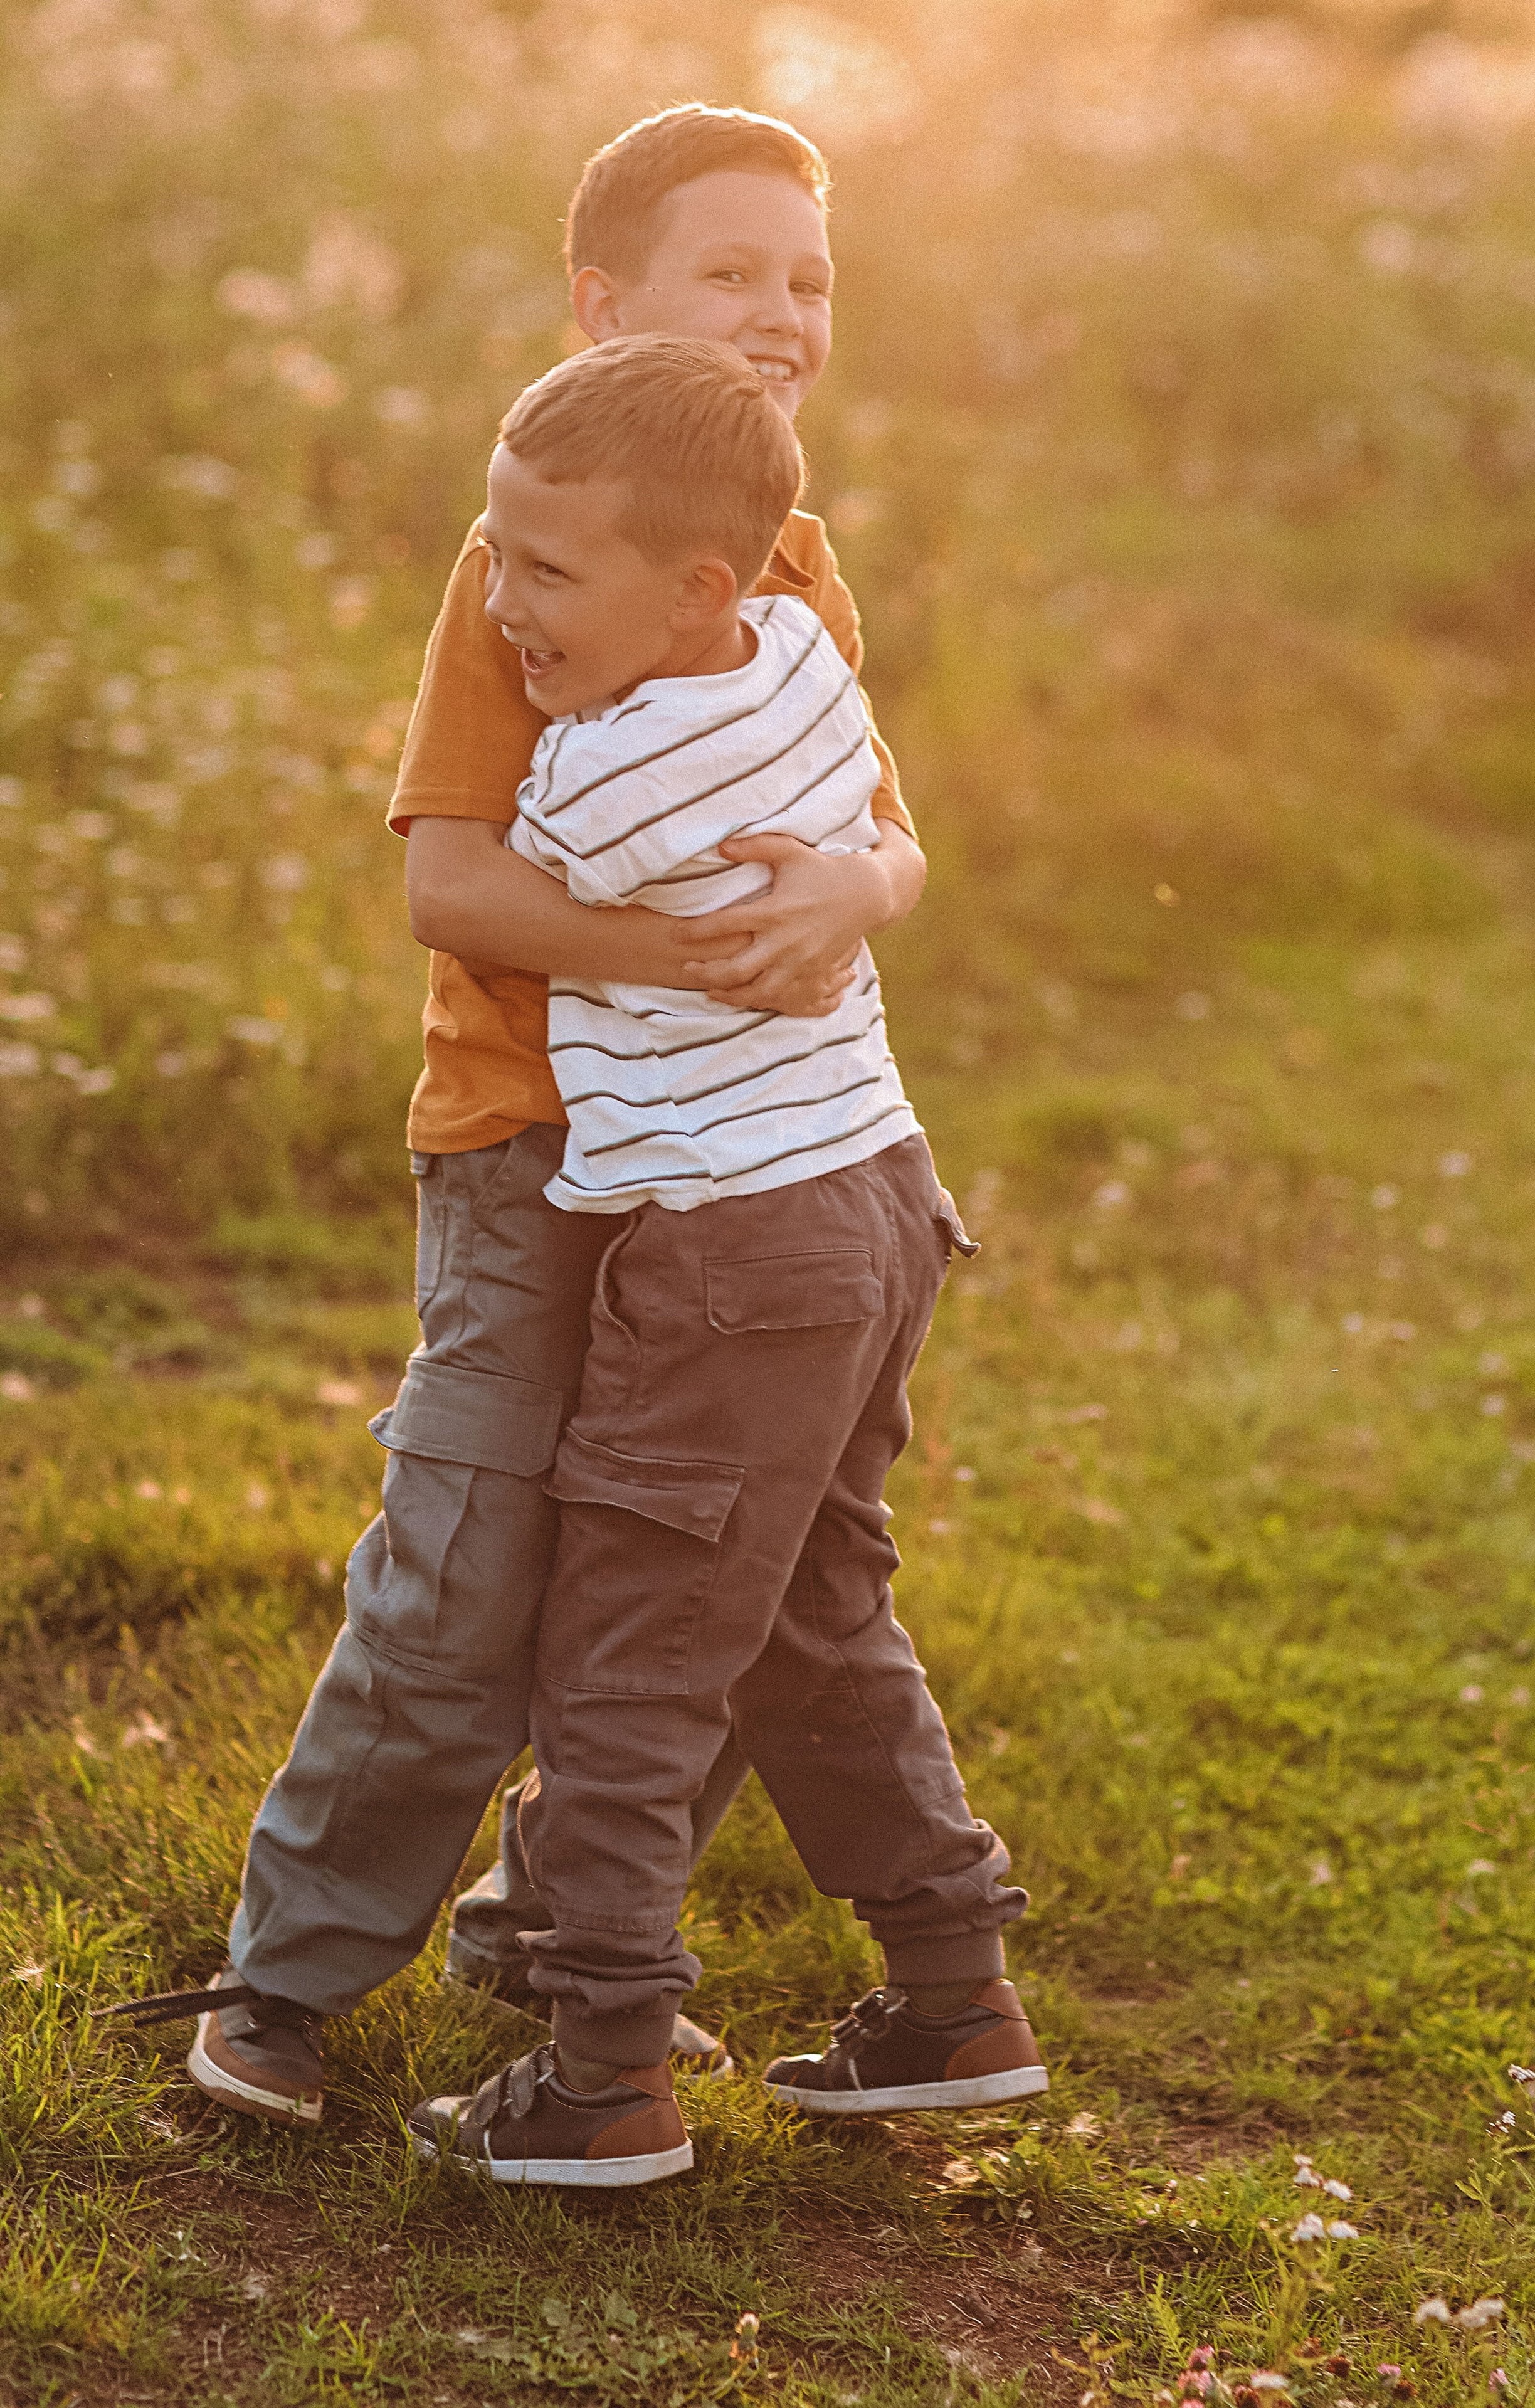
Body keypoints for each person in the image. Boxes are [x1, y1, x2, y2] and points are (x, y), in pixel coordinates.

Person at [103, 105, 931, 2132]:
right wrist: (693, 951)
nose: (780, 312)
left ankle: (565, 1953)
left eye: (806, 277)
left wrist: (853, 893)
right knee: (468, 1574)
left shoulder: (791, 566)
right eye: (727, 274)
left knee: (684, 1575)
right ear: (604, 307)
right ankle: (288, 1981)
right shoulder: (530, 569)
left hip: (733, 1180)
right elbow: (452, 887)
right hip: (533, 1150)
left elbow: (880, 841)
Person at [404, 334, 1043, 2188]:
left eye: (543, 570)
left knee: (631, 1647)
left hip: (729, 1250)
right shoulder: (805, 655)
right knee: (810, 1618)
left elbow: (476, 889)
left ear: (696, 583)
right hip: (875, 1197)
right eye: (498, 556)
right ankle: (953, 1994)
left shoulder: (600, 779)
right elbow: (873, 849)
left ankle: (602, 2068)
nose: (502, 601)